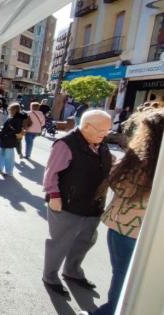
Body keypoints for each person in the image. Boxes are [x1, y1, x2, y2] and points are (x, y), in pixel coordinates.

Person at [86, 110, 164, 315]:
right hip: (141, 234)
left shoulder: (139, 158)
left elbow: (118, 185)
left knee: (123, 278)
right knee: (133, 283)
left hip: (123, 228)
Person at [42, 110, 113, 298]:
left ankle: (72, 272)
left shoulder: (101, 144)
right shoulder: (65, 144)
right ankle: (50, 277)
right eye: (102, 129)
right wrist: (54, 195)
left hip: (92, 206)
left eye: (108, 130)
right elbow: (51, 174)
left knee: (85, 241)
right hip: (66, 204)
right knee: (60, 243)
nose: (105, 133)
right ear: (87, 126)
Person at [0, 104, 23, 177]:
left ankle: (9, 171)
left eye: (10, 109)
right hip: (5, 140)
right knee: (2, 154)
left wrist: (6, 134)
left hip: (9, 140)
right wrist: (2, 131)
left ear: (13, 110)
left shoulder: (17, 119)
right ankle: (1, 168)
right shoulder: (12, 118)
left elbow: (17, 130)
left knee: (9, 157)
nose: (8, 110)